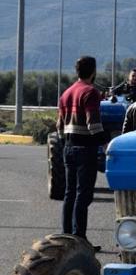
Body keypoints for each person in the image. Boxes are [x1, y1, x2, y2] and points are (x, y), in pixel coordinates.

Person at [57, 56, 106, 248]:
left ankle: (67, 237)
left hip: (68, 147)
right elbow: (93, 124)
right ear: (93, 71)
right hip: (86, 149)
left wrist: (67, 142)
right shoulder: (90, 92)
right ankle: (80, 240)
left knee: (69, 193)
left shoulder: (66, 93)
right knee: (83, 195)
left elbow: (59, 126)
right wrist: (105, 144)